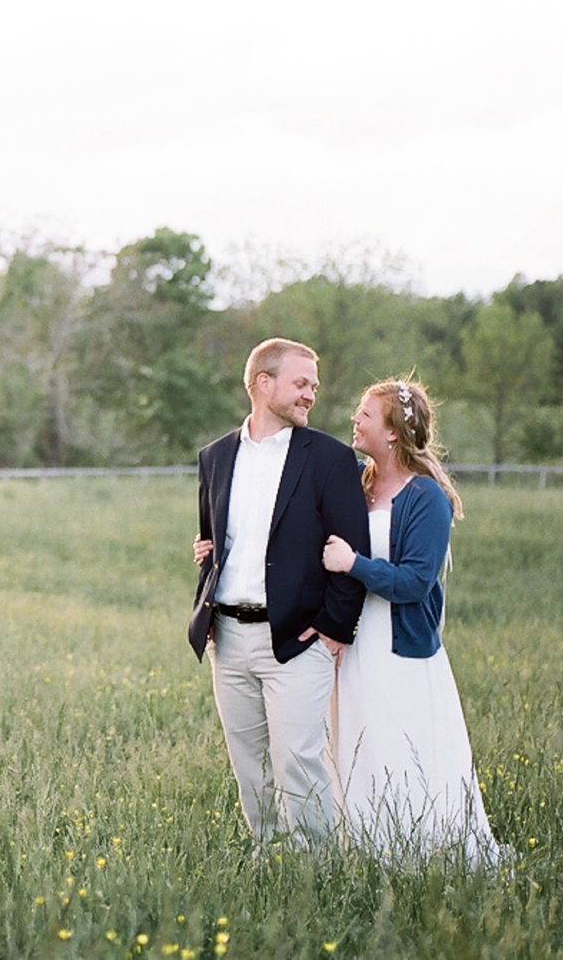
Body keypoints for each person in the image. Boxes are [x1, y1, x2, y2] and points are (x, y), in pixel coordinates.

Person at [190, 338, 370, 845]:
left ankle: (318, 869)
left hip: (297, 638)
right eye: (301, 383)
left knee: (299, 760)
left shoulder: (330, 459)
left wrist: (335, 627)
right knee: (250, 764)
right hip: (227, 636)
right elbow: (213, 542)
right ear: (263, 384)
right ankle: (270, 861)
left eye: (313, 384)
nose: (310, 393)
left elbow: (351, 548)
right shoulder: (215, 457)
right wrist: (205, 609)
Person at [321, 378, 499, 859]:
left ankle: (416, 852)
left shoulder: (427, 498)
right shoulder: (355, 481)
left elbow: (416, 582)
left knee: (398, 743)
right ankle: (357, 848)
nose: (354, 420)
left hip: (399, 646)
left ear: (394, 432)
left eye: (365, 414)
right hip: (353, 639)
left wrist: (353, 564)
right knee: (355, 743)